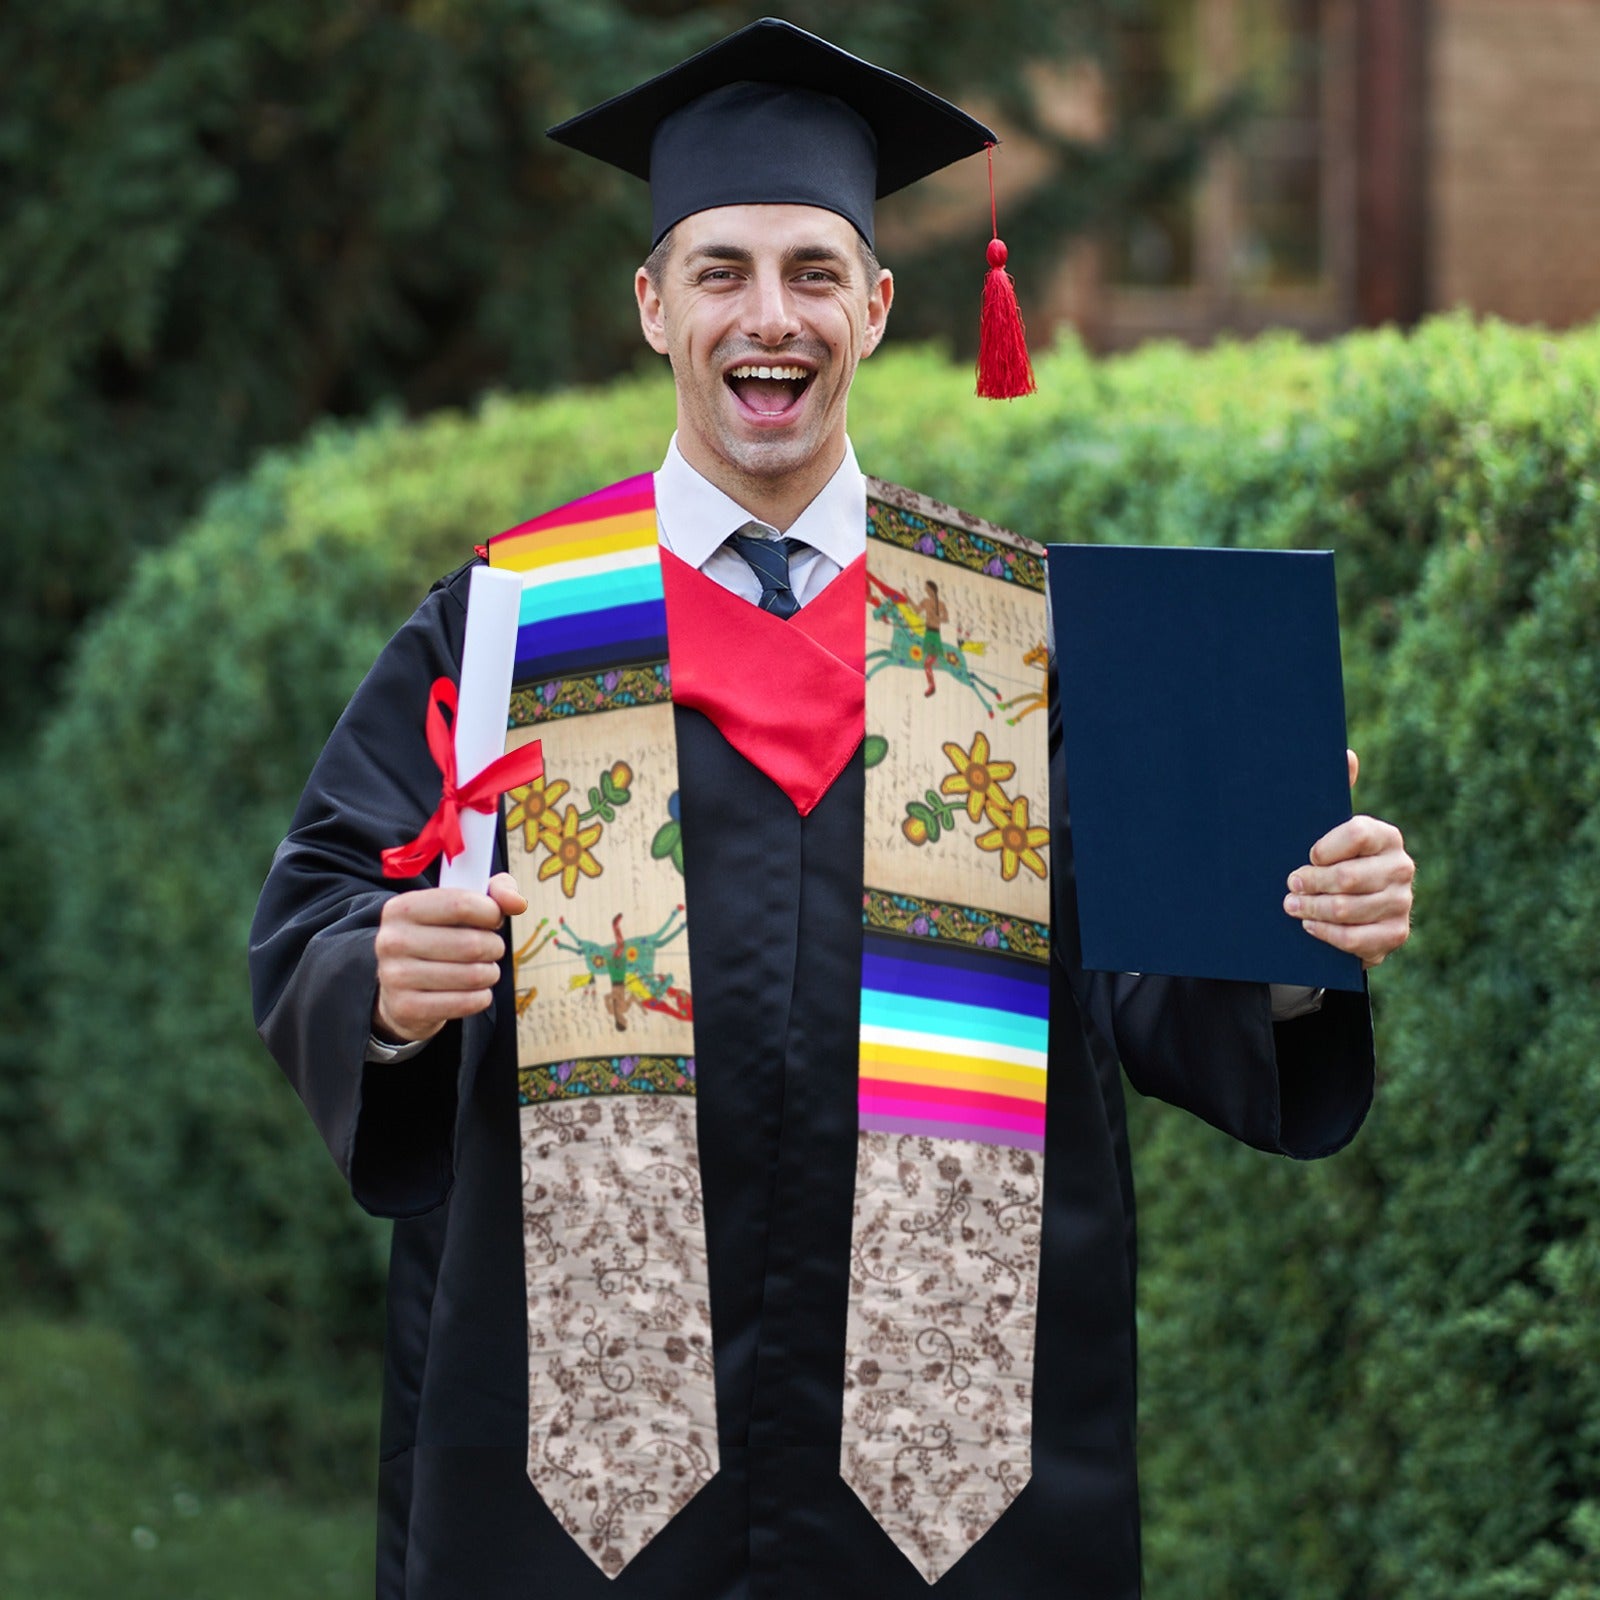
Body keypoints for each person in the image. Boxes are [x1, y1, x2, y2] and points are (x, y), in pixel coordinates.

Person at [250, 19, 1414, 1600]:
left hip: (950, 1472)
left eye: (812, 271)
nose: (768, 316)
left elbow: (1149, 980)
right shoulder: (515, 622)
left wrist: (1292, 933)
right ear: (654, 304)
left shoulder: (1013, 633)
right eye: (721, 270)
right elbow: (324, 902)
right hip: (586, 1466)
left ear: (876, 305)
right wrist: (379, 983)